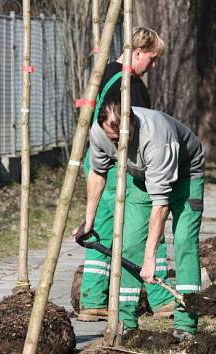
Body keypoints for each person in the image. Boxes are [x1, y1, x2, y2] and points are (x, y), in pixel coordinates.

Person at [77, 100, 205, 340]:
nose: (118, 144)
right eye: (113, 139)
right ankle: (126, 322)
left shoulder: (157, 139)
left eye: (121, 138)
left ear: (132, 124)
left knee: (184, 242)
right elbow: (98, 172)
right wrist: (89, 220)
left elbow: (161, 204)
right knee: (131, 243)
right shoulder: (99, 132)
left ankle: (185, 324)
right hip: (141, 176)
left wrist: (150, 260)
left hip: (186, 174)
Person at [76, 27, 175, 327]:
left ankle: (92, 301)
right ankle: (161, 298)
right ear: (138, 51)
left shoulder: (107, 73)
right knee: (145, 223)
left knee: (102, 231)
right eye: (152, 58)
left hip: (99, 160)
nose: (154, 66)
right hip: (120, 164)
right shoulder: (128, 83)